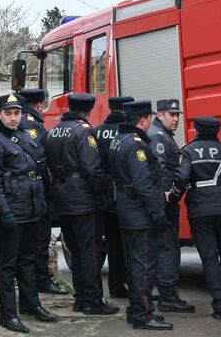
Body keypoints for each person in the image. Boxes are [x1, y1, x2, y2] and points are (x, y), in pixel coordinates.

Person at [0, 93, 58, 333]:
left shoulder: (23, 134)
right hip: (12, 211)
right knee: (6, 264)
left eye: (17, 113)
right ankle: (8, 314)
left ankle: (30, 303)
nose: (14, 118)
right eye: (9, 113)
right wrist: (4, 213)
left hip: (31, 207)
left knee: (28, 259)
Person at [45, 92, 117, 315]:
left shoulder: (54, 131)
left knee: (76, 251)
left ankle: (80, 298)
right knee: (90, 251)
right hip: (83, 199)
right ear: (89, 110)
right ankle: (93, 301)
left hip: (62, 198)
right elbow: (92, 168)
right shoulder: (84, 131)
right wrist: (102, 195)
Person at [108, 100, 173, 331]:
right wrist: (158, 214)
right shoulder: (136, 145)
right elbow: (143, 184)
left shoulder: (119, 139)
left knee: (135, 264)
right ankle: (144, 315)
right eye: (149, 118)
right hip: (139, 214)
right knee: (144, 266)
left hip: (127, 211)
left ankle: (136, 309)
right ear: (144, 120)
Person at [183, 115, 221, 319]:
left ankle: (220, 306)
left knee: (210, 258)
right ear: (217, 131)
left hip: (201, 212)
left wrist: (172, 196)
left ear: (197, 130)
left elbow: (181, 177)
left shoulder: (189, 151)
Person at [18, 88, 69, 296]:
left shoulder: (23, 121)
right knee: (38, 240)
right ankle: (42, 281)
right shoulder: (33, 125)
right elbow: (43, 157)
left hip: (30, 191)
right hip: (37, 190)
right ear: (40, 105)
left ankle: (36, 281)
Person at [148, 98, 193, 312]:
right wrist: (169, 193)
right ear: (160, 115)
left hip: (161, 202)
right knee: (168, 247)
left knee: (165, 246)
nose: (176, 119)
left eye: (177, 115)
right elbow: (160, 168)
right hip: (165, 203)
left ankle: (166, 292)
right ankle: (168, 296)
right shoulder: (158, 137)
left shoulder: (163, 135)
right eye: (171, 115)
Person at [96, 95, 134, 298]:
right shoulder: (128, 133)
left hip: (105, 197)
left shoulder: (98, 131)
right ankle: (130, 284)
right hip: (126, 196)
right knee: (130, 242)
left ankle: (115, 286)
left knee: (112, 244)